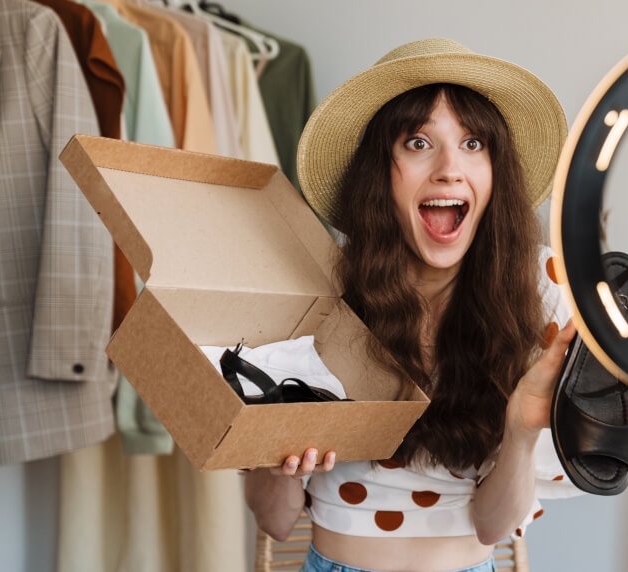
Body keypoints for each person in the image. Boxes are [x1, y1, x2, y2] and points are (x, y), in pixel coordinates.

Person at [244, 39, 582, 572]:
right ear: (381, 172)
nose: (450, 168)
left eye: (473, 144)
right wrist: (275, 460)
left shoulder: (539, 291)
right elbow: (275, 521)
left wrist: (520, 430)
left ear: (496, 172)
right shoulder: (317, 292)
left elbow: (495, 527)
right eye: (418, 142)